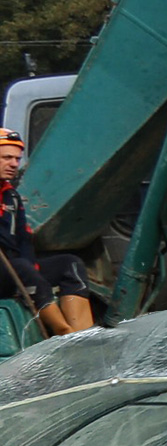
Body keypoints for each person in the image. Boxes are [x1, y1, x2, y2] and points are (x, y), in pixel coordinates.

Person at [0, 128, 100, 335]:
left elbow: (24, 240)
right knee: (22, 269)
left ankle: (82, 334)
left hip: (14, 269)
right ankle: (63, 333)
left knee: (70, 264)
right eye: (7, 158)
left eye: (17, 159)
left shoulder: (12, 197)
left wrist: (33, 266)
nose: (13, 164)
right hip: (6, 271)